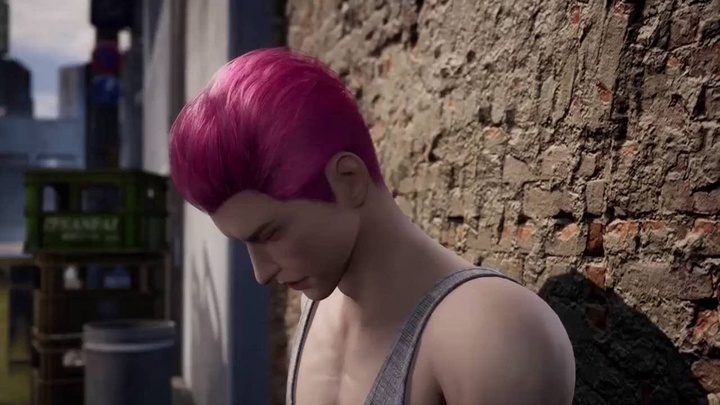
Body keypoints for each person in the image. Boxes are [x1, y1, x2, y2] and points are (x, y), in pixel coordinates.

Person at [169, 48, 575, 405]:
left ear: (347, 180)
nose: (261, 273)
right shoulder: (316, 303)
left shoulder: (494, 335)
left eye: (271, 233)